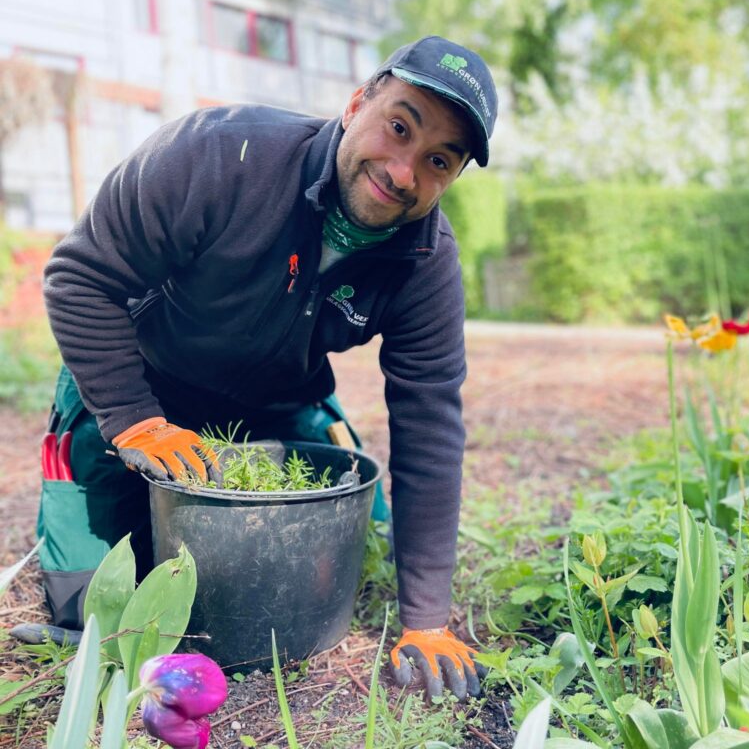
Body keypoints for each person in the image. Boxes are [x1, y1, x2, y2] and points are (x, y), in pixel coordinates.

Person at [33, 35, 496, 700]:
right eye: (399, 126)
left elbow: (430, 427)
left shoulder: (425, 263)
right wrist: (132, 418)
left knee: (358, 532)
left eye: (438, 161)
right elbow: (78, 278)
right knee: (90, 611)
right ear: (356, 102)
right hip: (138, 381)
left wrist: (426, 622)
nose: (403, 170)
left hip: (279, 400)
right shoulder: (220, 155)